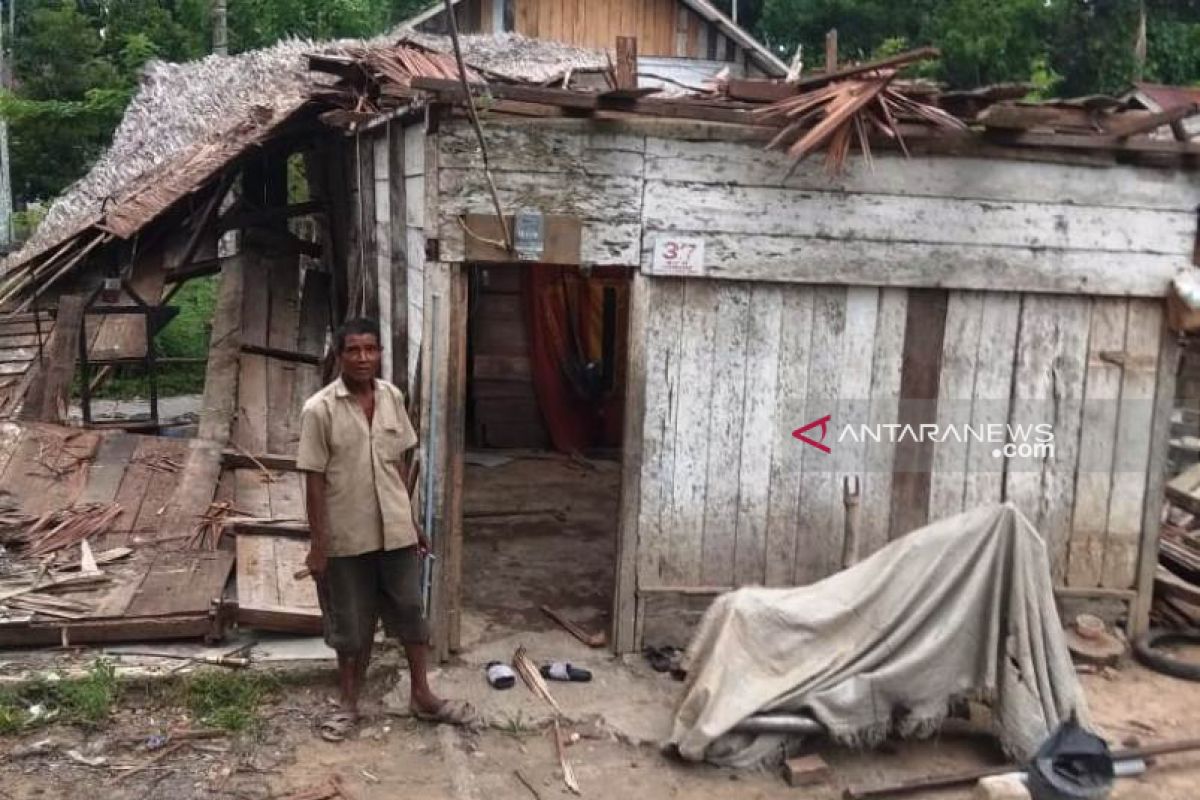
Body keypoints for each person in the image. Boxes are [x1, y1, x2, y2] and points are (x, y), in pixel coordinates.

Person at [297, 317, 474, 741]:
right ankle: (349, 704)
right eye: (353, 350)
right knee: (350, 625)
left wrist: (411, 522)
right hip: (346, 536)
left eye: (370, 349)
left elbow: (396, 465)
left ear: (379, 353)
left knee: (411, 611)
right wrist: (318, 545)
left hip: (395, 531)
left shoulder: (392, 397)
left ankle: (422, 695)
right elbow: (313, 480)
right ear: (339, 355)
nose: (363, 358)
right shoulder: (319, 409)